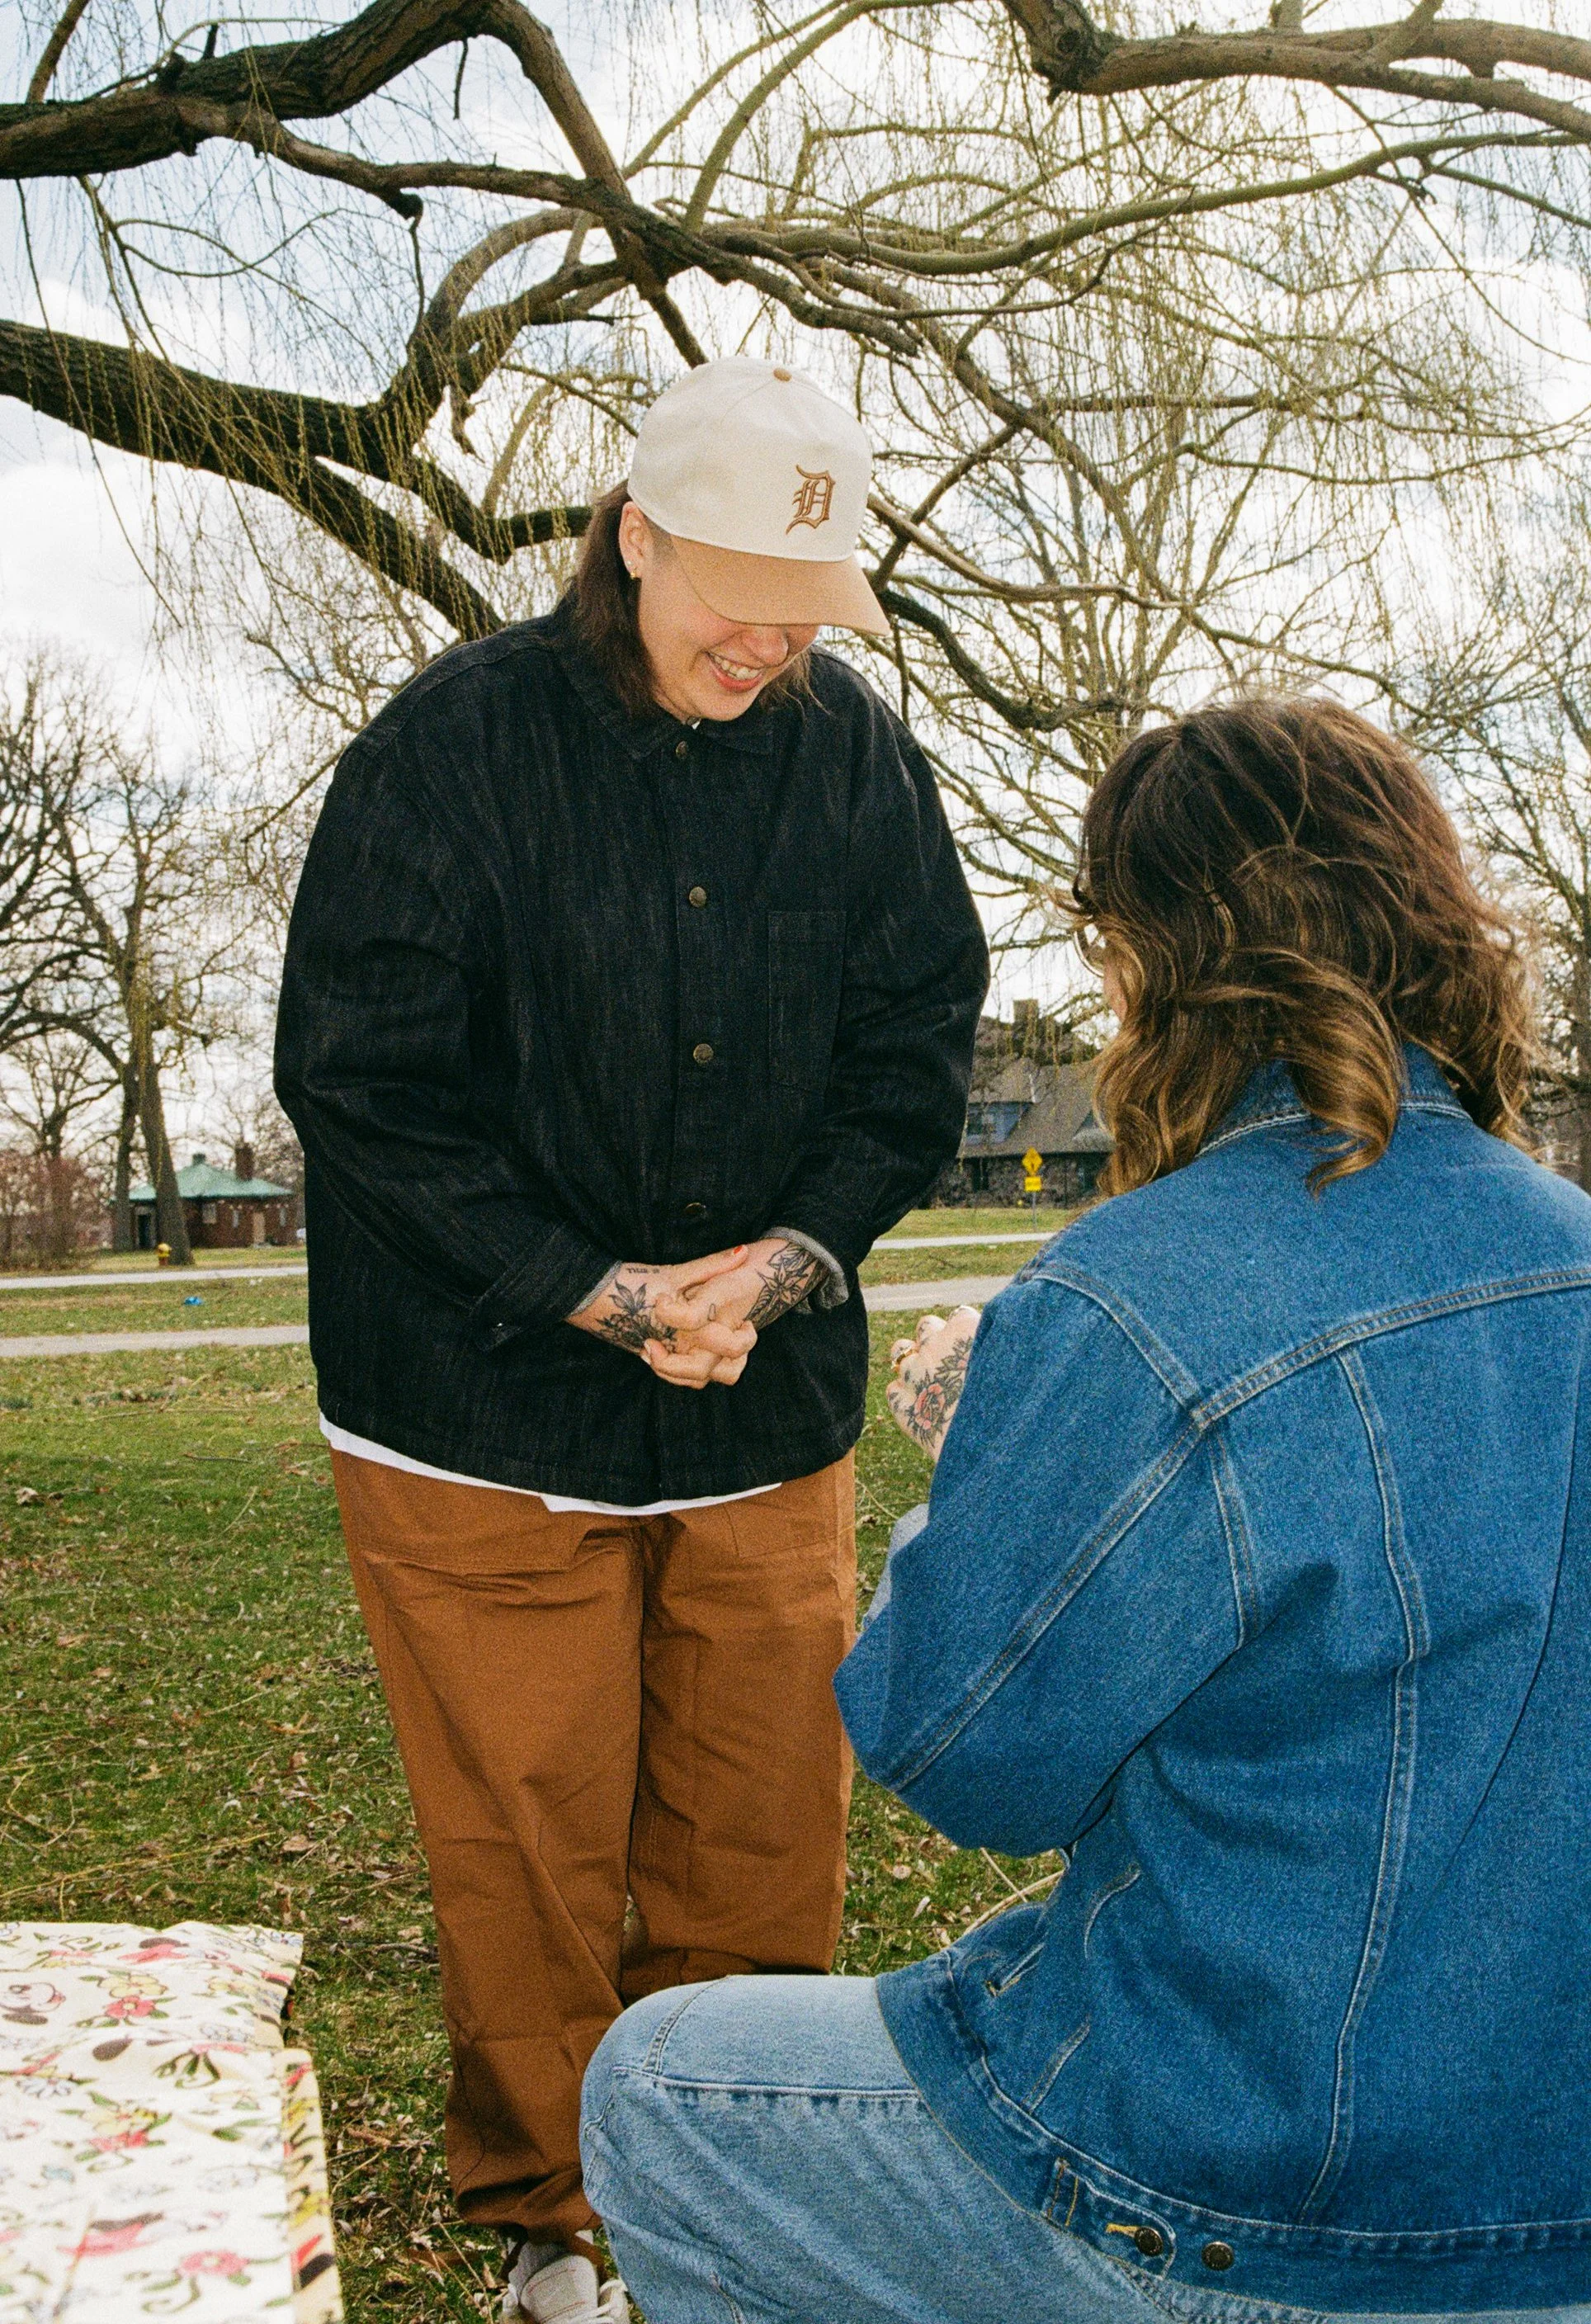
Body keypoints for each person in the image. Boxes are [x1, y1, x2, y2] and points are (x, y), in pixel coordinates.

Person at [582, 697, 1591, 2324]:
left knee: (660, 2079)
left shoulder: (1130, 1297)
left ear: (1146, 958)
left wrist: (980, 1445)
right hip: (1550, 2221)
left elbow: (965, 1752)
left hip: (1237, 2206)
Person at [274, 357, 988, 2323]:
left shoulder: (862, 769)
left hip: (765, 1411)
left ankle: (731, 2193)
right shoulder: (451, 748)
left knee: (758, 1832)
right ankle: (552, 2221)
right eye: (736, 587)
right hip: (475, 1411)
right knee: (525, 1833)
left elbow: (913, 1050)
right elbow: (360, 1083)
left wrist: (783, 1262)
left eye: (807, 602)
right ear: (633, 536)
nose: (771, 637)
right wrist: (603, 1293)